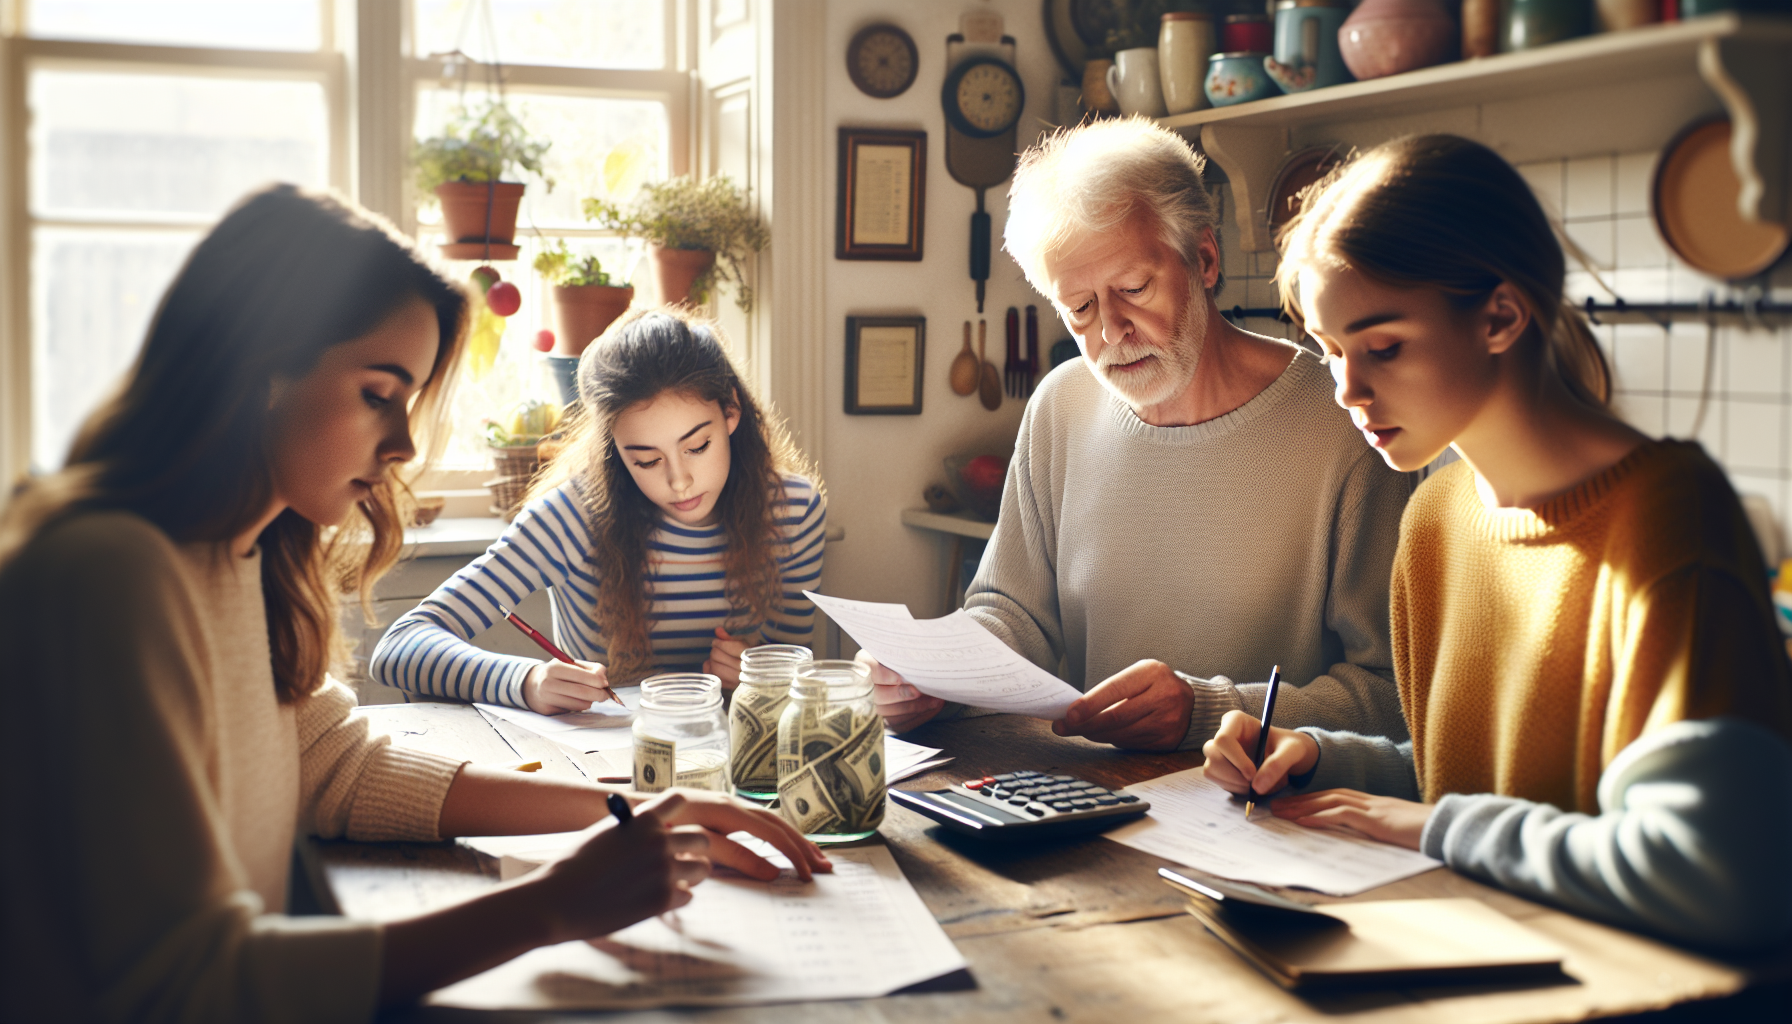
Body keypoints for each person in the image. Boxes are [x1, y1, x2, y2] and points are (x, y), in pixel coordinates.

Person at [0, 185, 830, 1022]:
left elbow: (334, 769)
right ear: (257, 367)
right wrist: (549, 907)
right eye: (377, 393)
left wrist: (630, 810)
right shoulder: (111, 574)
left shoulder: (243, 556)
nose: (400, 444)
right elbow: (187, 985)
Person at [1201, 134, 1792, 949]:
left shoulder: (1670, 517)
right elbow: (1469, 776)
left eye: (1383, 347)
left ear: (1501, 316)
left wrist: (1431, 828)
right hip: (1475, 961)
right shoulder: (1437, 516)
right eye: (1333, 352)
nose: (1348, 391)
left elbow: (1716, 873)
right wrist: (1321, 760)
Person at [868, 116, 1413, 752]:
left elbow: (1392, 697)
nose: (1111, 331)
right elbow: (1013, 614)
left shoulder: (1347, 417)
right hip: (1087, 798)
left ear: (1204, 260)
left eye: (1133, 288)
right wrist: (935, 677)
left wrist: (1208, 713)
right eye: (1080, 308)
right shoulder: (1060, 405)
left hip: (1263, 817)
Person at [370, 308, 825, 713]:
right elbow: (399, 646)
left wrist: (761, 675)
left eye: (697, 446)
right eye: (646, 460)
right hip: (603, 771)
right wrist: (524, 681)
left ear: (731, 411)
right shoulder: (571, 517)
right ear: (614, 450)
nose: (678, 480)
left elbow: (796, 682)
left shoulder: (793, 510)